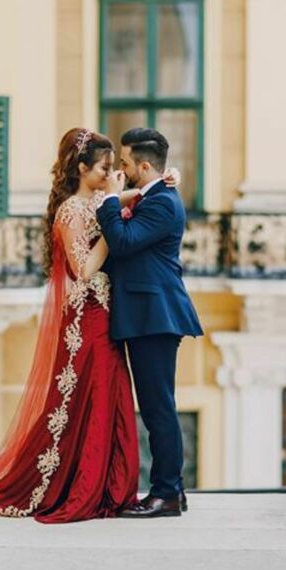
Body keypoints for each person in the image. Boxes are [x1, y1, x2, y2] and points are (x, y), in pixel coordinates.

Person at [0, 128, 179, 523]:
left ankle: (111, 486)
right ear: (83, 169)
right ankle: (81, 484)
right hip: (89, 316)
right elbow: (83, 269)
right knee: (92, 397)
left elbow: (138, 196)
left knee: (112, 397)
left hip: (108, 315)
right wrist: (112, 226)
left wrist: (165, 180)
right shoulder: (71, 210)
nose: (113, 171)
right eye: (104, 167)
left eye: (117, 165)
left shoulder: (103, 200)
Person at [97, 127, 203, 519]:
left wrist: (109, 199)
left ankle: (167, 493)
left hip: (155, 317)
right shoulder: (153, 195)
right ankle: (171, 490)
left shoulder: (163, 204)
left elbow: (123, 242)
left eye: (125, 164)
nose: (121, 171)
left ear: (144, 165)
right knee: (158, 406)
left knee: (158, 408)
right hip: (145, 315)